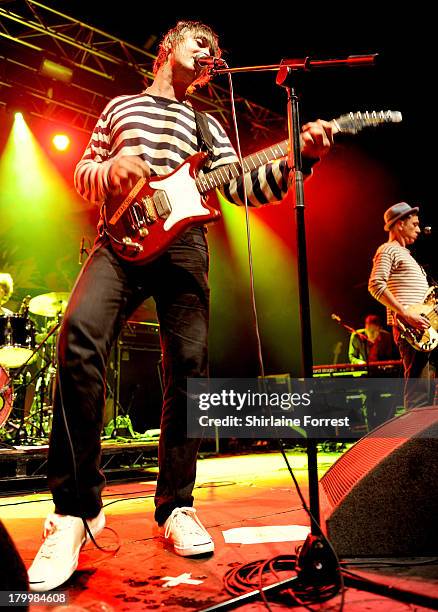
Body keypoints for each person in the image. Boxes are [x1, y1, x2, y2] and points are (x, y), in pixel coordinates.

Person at [27, 20, 334, 591]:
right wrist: (111, 171)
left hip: (185, 243)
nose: (213, 55)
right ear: (169, 47)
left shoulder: (209, 123)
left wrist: (297, 159)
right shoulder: (122, 108)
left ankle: (175, 505)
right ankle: (74, 511)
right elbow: (83, 171)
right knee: (77, 340)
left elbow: (245, 185)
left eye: (219, 50)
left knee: (189, 370)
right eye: (203, 45)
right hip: (120, 239)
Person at [368, 201, 437, 408]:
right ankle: (416, 440)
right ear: (399, 224)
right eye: (414, 224)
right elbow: (375, 284)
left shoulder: (407, 255)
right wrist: (405, 314)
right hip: (412, 330)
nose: (418, 229)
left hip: (428, 330)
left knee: (431, 396)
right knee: (419, 396)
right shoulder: (388, 250)